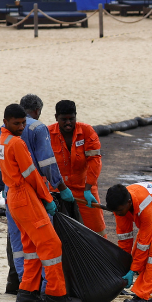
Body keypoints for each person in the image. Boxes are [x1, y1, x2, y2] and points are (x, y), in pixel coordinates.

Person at [0, 93, 75, 294]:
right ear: (38, 111)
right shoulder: (37, 128)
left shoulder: (3, 133)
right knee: (46, 242)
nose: (21, 126)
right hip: (31, 194)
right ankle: (48, 289)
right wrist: (58, 189)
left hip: (11, 195)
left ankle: (23, 284)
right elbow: (44, 165)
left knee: (20, 242)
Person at [48, 100, 105, 237]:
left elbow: (95, 162)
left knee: (97, 230)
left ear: (76, 116)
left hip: (85, 188)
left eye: (71, 119)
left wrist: (88, 189)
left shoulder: (87, 131)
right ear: (56, 118)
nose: (68, 123)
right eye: (64, 119)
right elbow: (44, 165)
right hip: (58, 189)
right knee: (57, 232)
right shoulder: (47, 133)